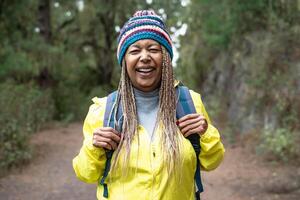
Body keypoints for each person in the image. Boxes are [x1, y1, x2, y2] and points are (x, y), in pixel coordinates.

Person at [73, 10, 225, 200]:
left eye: (153, 49)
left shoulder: (189, 103)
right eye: (135, 50)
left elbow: (212, 162)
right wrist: (93, 147)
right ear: (124, 61)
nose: (144, 57)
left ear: (166, 59)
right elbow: (85, 174)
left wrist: (206, 133)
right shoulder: (103, 111)